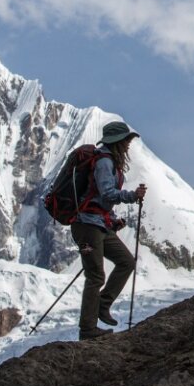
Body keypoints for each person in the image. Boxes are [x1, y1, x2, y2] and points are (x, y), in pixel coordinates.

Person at [74, 120, 146, 341]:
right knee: (95, 276)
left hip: (99, 224)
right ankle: (87, 329)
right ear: (116, 142)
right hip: (87, 226)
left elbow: (99, 198)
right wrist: (132, 196)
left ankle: (102, 306)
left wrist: (112, 220)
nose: (127, 146)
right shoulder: (104, 163)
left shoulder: (109, 162)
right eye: (125, 141)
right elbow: (107, 193)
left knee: (126, 262)